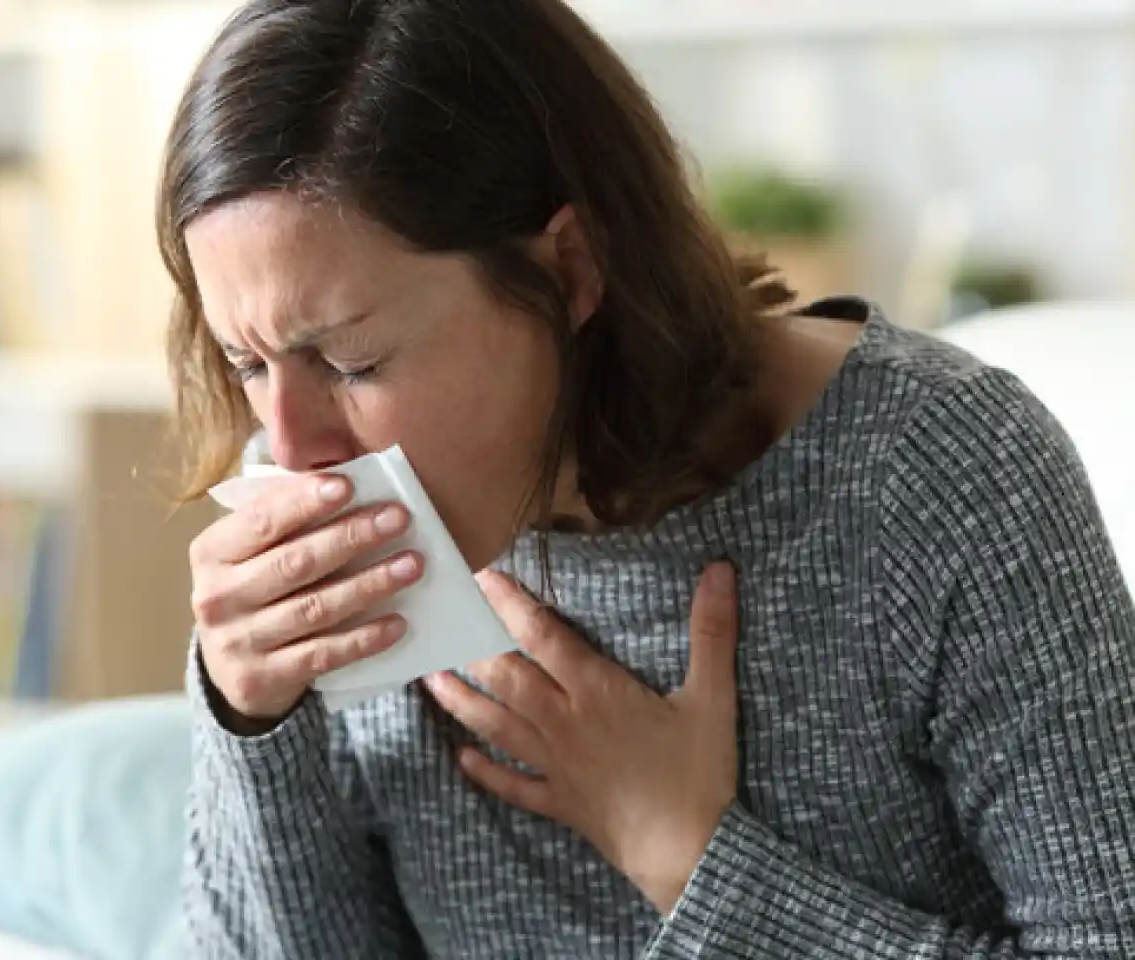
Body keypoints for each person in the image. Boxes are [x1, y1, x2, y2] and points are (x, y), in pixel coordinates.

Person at [157, 0, 1135, 956]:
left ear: (571, 268)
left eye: (352, 362)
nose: (286, 450)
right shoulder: (315, 507)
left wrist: (687, 861)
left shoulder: (931, 468)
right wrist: (251, 717)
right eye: (246, 363)